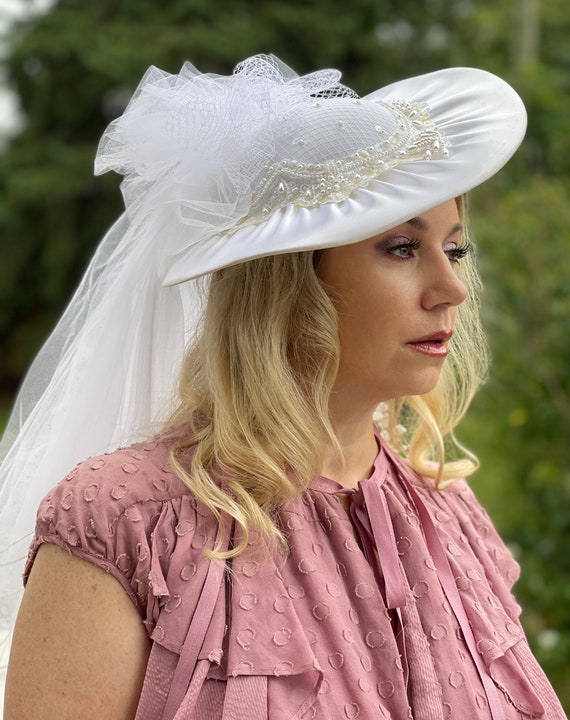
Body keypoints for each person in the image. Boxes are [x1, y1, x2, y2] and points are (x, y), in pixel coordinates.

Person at [0, 54, 565, 720]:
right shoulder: (124, 521)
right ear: (291, 287)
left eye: (455, 248)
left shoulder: (450, 514)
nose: (452, 289)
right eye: (402, 249)